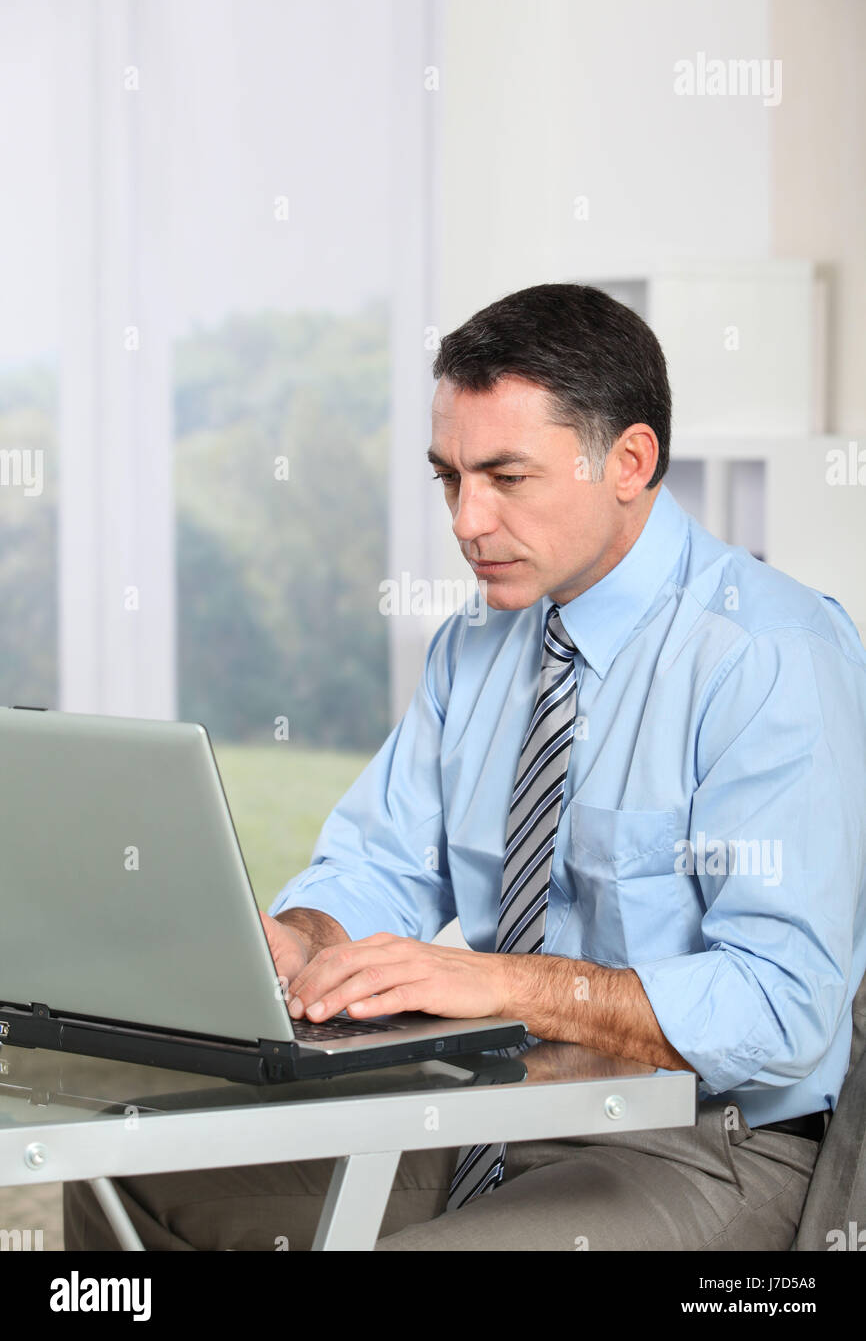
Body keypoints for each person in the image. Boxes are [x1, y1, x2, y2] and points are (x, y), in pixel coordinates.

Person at [64, 282, 866, 1251]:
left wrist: (504, 984)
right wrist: (303, 935)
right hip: (494, 1109)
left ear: (628, 460)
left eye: (503, 476)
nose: (465, 518)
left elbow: (782, 1005)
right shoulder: (474, 647)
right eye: (447, 476)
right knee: (127, 1172)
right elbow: (386, 863)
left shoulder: (768, 654)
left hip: (706, 1141)